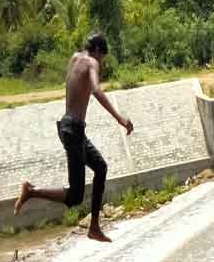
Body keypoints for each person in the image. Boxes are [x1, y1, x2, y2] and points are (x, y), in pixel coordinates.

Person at [14, 33, 134, 243]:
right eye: (102, 57)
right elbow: (96, 90)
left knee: (101, 167)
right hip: (74, 131)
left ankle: (94, 227)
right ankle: (31, 191)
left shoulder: (74, 58)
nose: (102, 62)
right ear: (97, 50)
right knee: (75, 196)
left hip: (69, 127)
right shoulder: (92, 63)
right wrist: (120, 118)